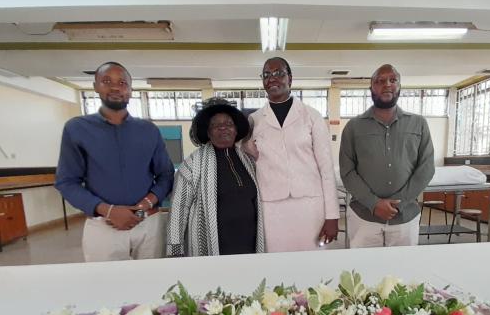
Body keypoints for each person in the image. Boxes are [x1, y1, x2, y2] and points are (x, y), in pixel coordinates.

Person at [55, 61, 174, 261]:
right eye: (106, 81)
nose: (115, 87)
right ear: (95, 87)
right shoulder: (76, 129)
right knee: (106, 285)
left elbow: (166, 175)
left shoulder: (148, 130)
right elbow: (66, 182)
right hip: (103, 225)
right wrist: (109, 211)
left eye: (122, 83)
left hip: (147, 223)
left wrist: (145, 204)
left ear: (130, 89)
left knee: (153, 283)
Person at [243, 57, 339, 252]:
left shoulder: (311, 116)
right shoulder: (254, 121)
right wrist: (244, 145)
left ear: (290, 78)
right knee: (277, 265)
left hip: (310, 206)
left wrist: (332, 216)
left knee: (312, 265)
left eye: (279, 73)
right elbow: (245, 158)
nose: (272, 79)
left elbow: (326, 169)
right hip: (271, 208)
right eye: (267, 75)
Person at [339, 63, 434, 248]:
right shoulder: (354, 127)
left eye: (393, 80)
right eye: (380, 81)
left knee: (404, 273)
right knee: (361, 272)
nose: (387, 84)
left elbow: (426, 167)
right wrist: (374, 203)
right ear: (371, 88)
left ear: (399, 86)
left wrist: (399, 203)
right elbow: (347, 171)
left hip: (405, 217)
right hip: (364, 217)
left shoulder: (418, 124)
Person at [166, 98, 264, 256]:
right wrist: (175, 251)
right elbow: (179, 208)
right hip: (213, 248)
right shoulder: (192, 164)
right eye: (216, 125)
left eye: (229, 124)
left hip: (248, 245)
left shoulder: (247, 161)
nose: (224, 128)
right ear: (208, 132)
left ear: (236, 129)